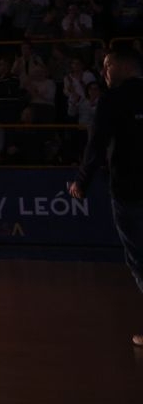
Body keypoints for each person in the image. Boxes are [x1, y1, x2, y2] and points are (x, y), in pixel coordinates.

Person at [68, 48, 143, 347]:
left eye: (107, 66)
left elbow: (96, 145)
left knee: (139, 257)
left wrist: (82, 183)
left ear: (122, 65)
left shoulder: (112, 100)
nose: (104, 73)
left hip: (130, 192)